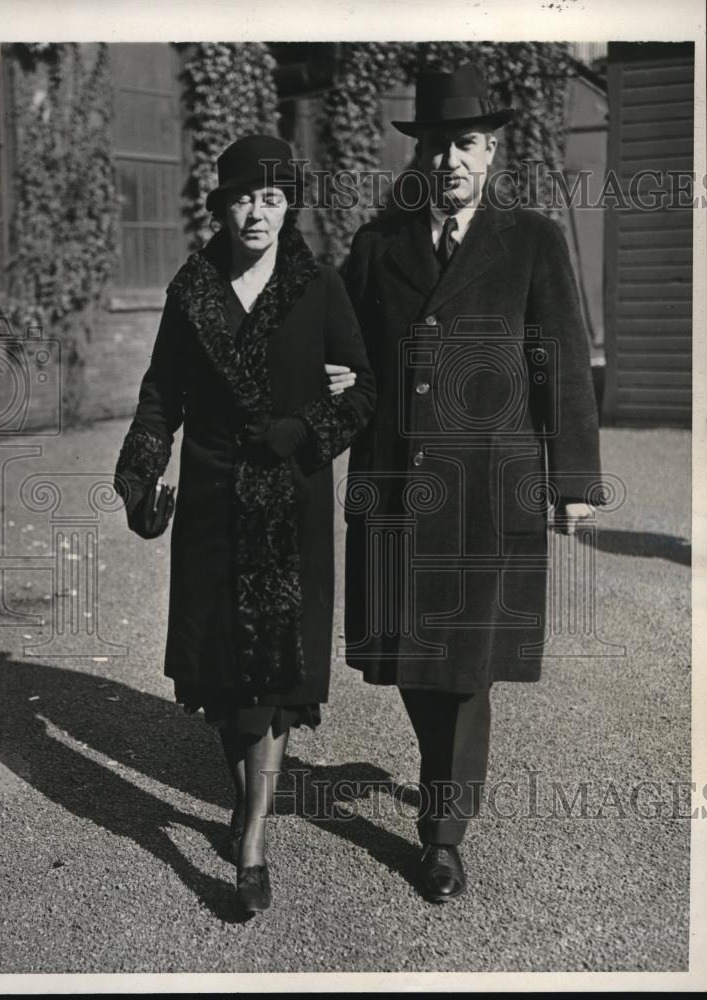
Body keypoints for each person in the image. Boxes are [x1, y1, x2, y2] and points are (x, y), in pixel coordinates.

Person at [343, 63, 604, 902]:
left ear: (492, 152)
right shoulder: (377, 244)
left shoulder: (530, 239)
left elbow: (559, 361)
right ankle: (439, 772)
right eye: (436, 144)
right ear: (418, 152)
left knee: (464, 665)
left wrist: (572, 479)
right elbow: (342, 348)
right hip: (394, 482)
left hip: (487, 490)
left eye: (467, 144)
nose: (450, 160)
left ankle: (444, 833)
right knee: (412, 663)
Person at [113, 134, 376, 914]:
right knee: (225, 679)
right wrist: (138, 478)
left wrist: (305, 432)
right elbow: (161, 395)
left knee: (273, 683)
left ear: (287, 204)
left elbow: (363, 393)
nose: (254, 213)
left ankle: (252, 839)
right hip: (210, 505)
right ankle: (245, 802)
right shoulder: (191, 288)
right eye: (240, 198)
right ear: (220, 206)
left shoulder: (319, 286)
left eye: (269, 198)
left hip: (287, 507)